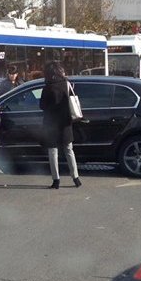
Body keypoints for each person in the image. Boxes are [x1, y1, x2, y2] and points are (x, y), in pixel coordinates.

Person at [39, 61, 81, 189]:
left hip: (51, 123)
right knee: (69, 149)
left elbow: (42, 106)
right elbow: (72, 99)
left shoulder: (47, 88)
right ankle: (76, 178)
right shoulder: (67, 84)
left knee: (53, 151)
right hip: (66, 122)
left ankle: (56, 180)